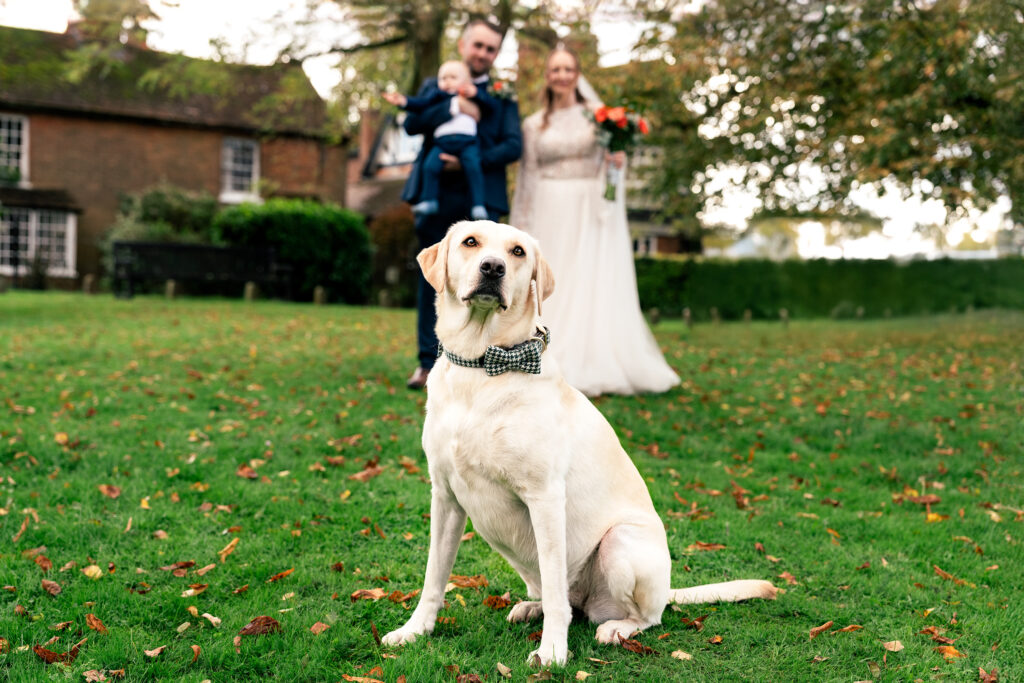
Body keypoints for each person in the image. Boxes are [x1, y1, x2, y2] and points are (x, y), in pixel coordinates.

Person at [509, 46, 679, 397]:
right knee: (554, 279)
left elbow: (610, 163)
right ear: (547, 76)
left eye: (568, 69)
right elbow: (528, 174)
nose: (561, 75)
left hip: (588, 208)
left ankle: (590, 356)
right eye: (555, 69)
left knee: (586, 277)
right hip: (548, 205)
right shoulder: (533, 123)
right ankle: (543, 349)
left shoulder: (597, 116)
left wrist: (617, 162)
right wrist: (520, 225)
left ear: (577, 73)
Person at [402, 19, 522, 390]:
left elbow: (513, 146)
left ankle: (483, 361)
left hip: (481, 198)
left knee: (490, 282)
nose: (484, 54)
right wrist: (456, 106)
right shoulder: (435, 84)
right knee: (433, 281)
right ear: (463, 45)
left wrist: (471, 157)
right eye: (479, 46)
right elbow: (412, 123)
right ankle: (427, 363)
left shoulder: (502, 94)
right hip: (435, 196)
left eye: (491, 49)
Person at [383, 60, 494, 221]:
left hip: (467, 142)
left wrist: (476, 94)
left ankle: (478, 204)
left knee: (473, 168)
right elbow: (421, 104)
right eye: (443, 78)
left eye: (453, 77)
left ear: (466, 81)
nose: (447, 82)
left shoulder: (475, 95)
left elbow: (491, 107)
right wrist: (404, 102)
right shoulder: (437, 96)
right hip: (442, 143)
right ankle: (429, 200)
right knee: (430, 166)